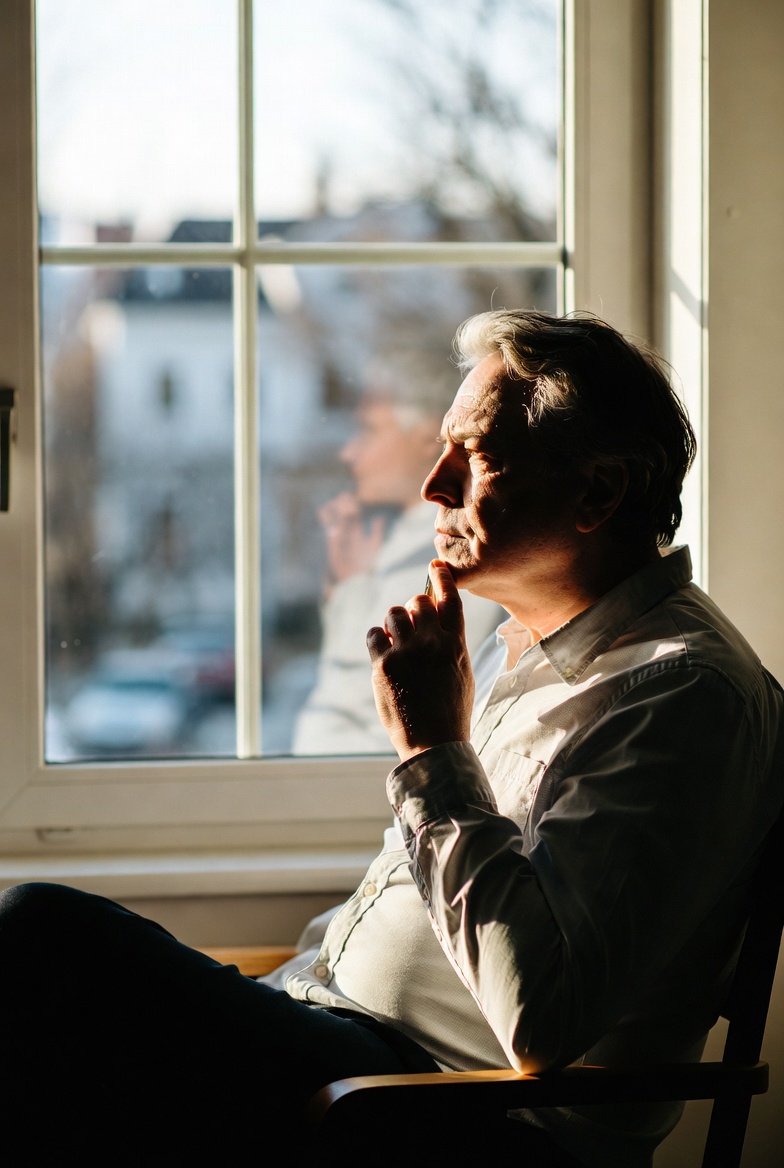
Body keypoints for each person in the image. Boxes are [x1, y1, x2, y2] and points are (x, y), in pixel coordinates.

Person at [1, 309, 782, 1168]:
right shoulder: (523, 647)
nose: (433, 487)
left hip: (450, 1122)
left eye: (475, 453)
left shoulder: (682, 695)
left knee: (41, 935)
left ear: (598, 493)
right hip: (346, 1056)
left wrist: (431, 748)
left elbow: (544, 1022)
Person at [292, 348, 504, 754]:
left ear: (424, 437)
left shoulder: (459, 560)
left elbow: (373, 723)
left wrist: (351, 591)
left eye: (368, 431)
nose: (349, 453)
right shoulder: (385, 549)